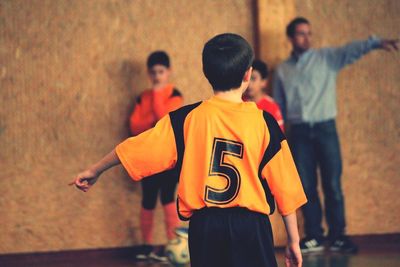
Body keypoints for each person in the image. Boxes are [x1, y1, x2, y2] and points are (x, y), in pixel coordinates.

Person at [70, 33, 307, 267]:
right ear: (248, 74)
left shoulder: (185, 119)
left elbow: (136, 147)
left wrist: (96, 169)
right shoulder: (264, 122)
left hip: (205, 229)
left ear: (206, 73)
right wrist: (294, 240)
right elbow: (286, 186)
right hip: (251, 227)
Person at [273, 17, 399, 254]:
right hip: (298, 132)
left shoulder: (327, 58)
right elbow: (279, 105)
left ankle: (339, 236)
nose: (307, 38)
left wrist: (376, 43)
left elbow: (352, 49)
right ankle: (314, 236)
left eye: (309, 33)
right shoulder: (282, 70)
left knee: (332, 183)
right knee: (306, 186)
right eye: (301, 34)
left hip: (325, 129)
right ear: (290, 38)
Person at [129, 51, 183, 261]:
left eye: (161, 72)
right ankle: (147, 245)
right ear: (148, 73)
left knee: (168, 198)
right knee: (148, 200)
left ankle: (173, 244)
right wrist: (151, 117)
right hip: (148, 158)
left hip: (169, 158)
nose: (157, 76)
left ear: (168, 72)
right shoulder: (142, 97)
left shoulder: (174, 94)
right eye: (153, 72)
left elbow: (164, 121)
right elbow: (135, 126)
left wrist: (158, 95)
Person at [244, 59, 284, 131]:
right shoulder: (239, 102)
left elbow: (278, 137)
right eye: (246, 78)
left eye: (253, 78)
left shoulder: (271, 107)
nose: (249, 84)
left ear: (263, 82)